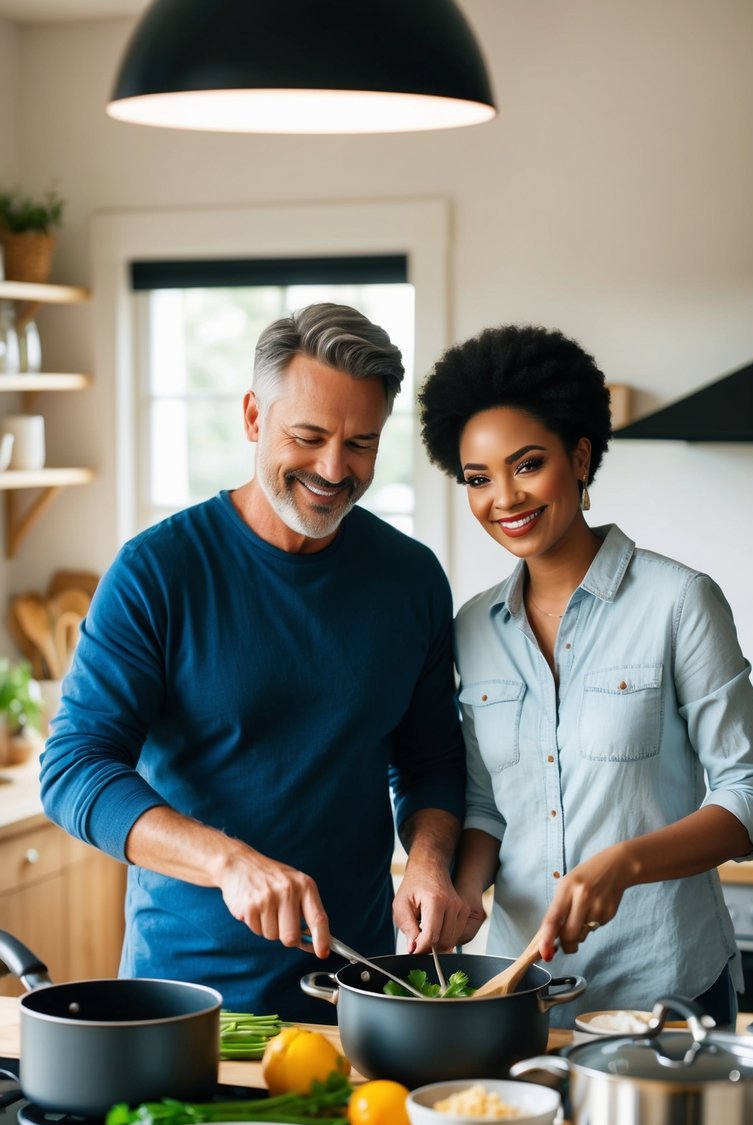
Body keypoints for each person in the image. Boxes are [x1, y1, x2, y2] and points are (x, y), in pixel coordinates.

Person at [41, 302, 467, 1022]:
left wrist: (428, 861)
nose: (335, 469)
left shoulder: (411, 579)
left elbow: (428, 761)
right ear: (251, 417)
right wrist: (226, 861)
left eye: (361, 443)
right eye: (308, 436)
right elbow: (74, 770)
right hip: (187, 1001)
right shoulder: (158, 571)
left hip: (356, 991)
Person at [418, 322, 753, 1026]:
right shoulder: (469, 628)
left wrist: (625, 861)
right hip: (519, 991)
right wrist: (463, 891)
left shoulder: (678, 601)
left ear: (579, 457)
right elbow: (487, 805)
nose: (504, 498)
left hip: (666, 992)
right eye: (477, 478)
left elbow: (752, 797)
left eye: (527, 465)